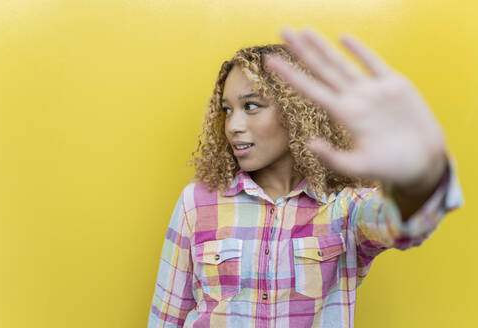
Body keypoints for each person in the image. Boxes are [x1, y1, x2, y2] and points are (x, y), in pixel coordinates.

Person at [147, 27, 464, 328]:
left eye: (251, 106)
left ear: (294, 112)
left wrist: (421, 175)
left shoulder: (345, 206)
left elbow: (404, 225)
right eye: (227, 110)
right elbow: (167, 316)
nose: (233, 126)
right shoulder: (197, 202)